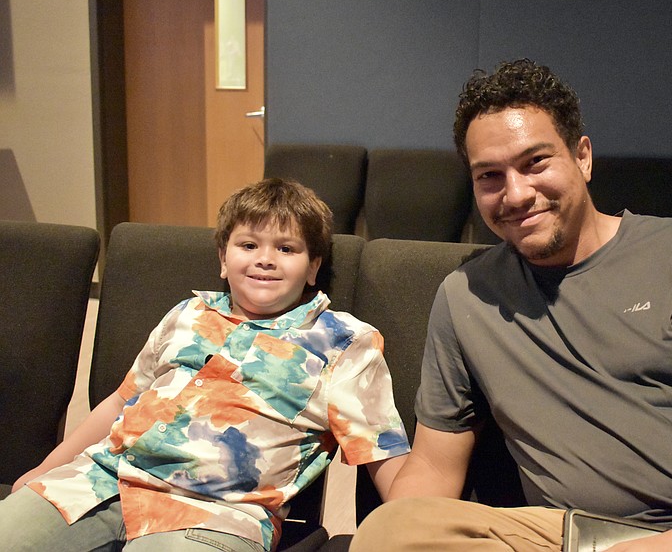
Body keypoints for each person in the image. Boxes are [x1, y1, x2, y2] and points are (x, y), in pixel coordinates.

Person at [349, 59, 672, 551]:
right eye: (490, 176)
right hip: (566, 535)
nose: (515, 194)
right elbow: (435, 464)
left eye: (535, 162)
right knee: (391, 532)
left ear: (582, 157)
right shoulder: (466, 294)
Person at [0, 178, 410, 551]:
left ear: (313, 267)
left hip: (216, 515)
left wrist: (424, 525)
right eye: (248, 245)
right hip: (98, 484)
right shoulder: (187, 313)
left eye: (286, 249)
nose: (265, 259)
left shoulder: (344, 342)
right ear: (222, 258)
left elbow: (382, 450)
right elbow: (119, 403)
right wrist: (44, 469)